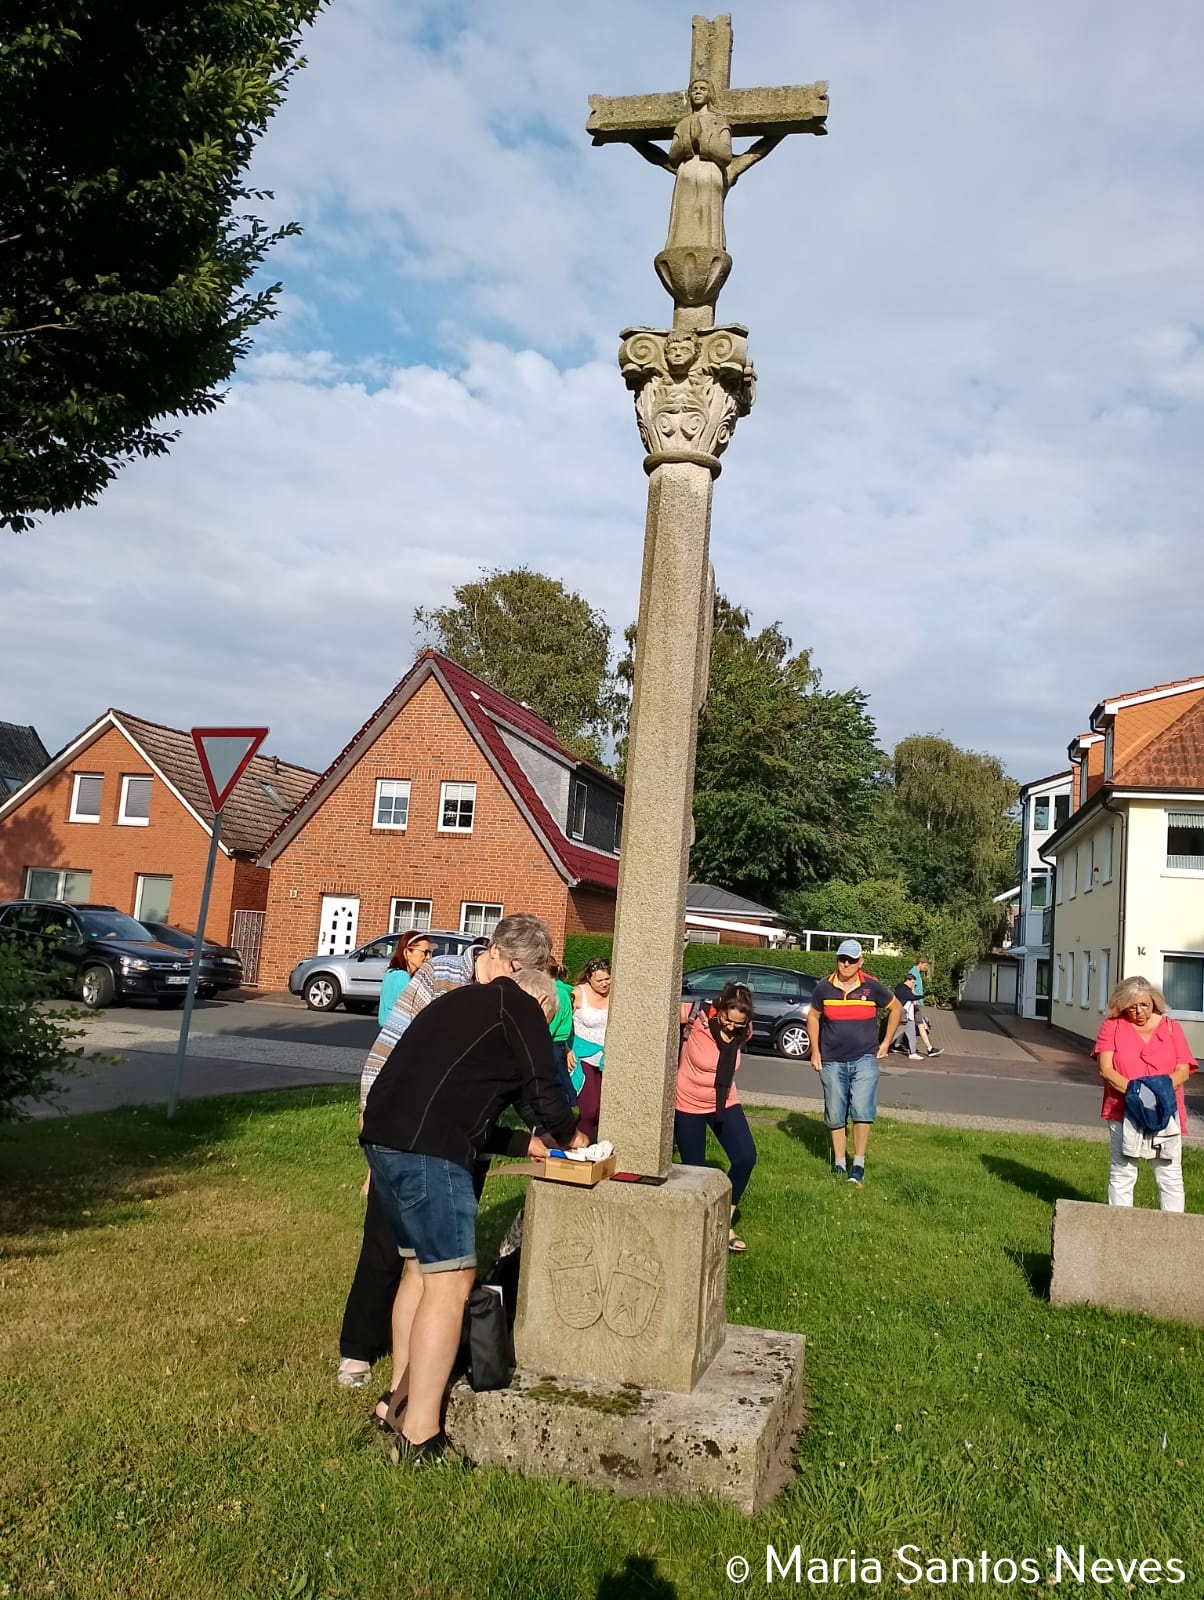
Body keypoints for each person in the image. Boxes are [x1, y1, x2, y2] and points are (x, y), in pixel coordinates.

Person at [362, 965, 584, 1463]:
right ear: (545, 1006)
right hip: (427, 1153)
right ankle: (421, 1435)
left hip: (384, 1138)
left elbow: (455, 1101)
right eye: (548, 1023)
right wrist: (572, 1140)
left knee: (419, 1271)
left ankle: (396, 1400)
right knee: (452, 1283)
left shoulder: (463, 1002)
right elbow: (544, 1091)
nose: (542, 1031)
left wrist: (524, 1144)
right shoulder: (524, 1006)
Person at [336, 914, 553, 1397]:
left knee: (437, 1260)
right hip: (405, 1132)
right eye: (518, 969)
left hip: (461, 1138)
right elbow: (387, 1051)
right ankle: (358, 1349)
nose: (519, 981)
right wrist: (376, 1134)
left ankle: (423, 1363)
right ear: (497, 953)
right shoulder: (441, 978)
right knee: (386, 1246)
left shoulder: (514, 999)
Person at [1093, 976, 1197, 1212]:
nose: (1139, 1011)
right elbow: (1105, 1069)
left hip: (1165, 1110)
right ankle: (1120, 1228)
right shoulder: (1112, 1026)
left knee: (1169, 1173)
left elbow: (1183, 1070)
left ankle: (1173, 1232)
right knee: (1123, 1172)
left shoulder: (1172, 1028)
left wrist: (1157, 1092)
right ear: (1121, 1004)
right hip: (1124, 1110)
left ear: (1154, 1002)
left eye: (1144, 1005)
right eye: (1132, 1006)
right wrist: (1138, 1093)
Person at [806, 939, 902, 1187]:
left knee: (862, 1110)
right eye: (842, 959)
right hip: (832, 1060)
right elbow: (813, 1017)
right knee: (836, 1112)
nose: (846, 964)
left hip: (864, 1059)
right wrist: (815, 1052)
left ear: (861, 962)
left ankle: (857, 1164)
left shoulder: (872, 987)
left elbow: (896, 1009)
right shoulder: (823, 988)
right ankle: (839, 1163)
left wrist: (886, 1043)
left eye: (851, 960)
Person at [674, 982, 757, 1253]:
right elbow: (656, 1013)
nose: (731, 1027)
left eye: (738, 1024)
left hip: (723, 1101)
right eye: (727, 1019)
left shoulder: (744, 1031)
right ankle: (696, 1231)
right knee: (694, 1173)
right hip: (687, 1103)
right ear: (719, 1008)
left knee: (746, 1157)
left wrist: (739, 1029)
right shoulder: (695, 1015)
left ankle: (724, 1219)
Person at [571, 957, 610, 1139]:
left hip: (606, 1056)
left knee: (603, 1110)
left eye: (607, 979)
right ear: (588, 979)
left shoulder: (614, 994)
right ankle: (577, 1146)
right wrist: (566, 1050)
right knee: (589, 1108)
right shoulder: (578, 994)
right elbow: (563, 1023)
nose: (604, 984)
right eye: (599, 980)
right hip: (582, 1054)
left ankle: (582, 1139)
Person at [377, 930, 433, 1028]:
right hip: (398, 1032)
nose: (428, 957)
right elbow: (415, 1010)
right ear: (407, 952)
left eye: (430, 953)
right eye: (425, 952)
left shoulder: (392, 973)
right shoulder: (401, 977)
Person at [545, 957, 579, 1113]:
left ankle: (570, 1104)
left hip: (554, 1041)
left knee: (559, 1078)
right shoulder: (558, 991)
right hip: (554, 1041)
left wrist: (542, 1034)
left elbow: (554, 1019)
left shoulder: (558, 993)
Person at [906, 958, 943, 1058]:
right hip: (915, 1004)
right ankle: (929, 1048)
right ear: (920, 963)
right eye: (925, 965)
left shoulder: (916, 972)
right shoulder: (913, 972)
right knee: (920, 1025)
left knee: (904, 1025)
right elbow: (911, 988)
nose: (926, 967)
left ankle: (895, 1045)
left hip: (916, 1003)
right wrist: (914, 1001)